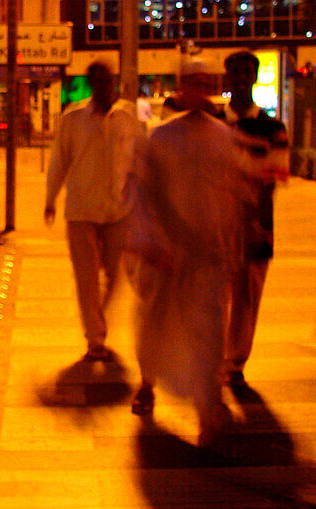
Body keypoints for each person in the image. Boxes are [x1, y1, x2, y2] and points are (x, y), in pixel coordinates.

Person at [124, 57, 246, 447]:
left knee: (208, 333)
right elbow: (140, 193)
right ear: (181, 87)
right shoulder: (159, 138)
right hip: (165, 252)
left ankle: (207, 413)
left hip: (207, 254)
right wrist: (150, 242)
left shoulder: (223, 137)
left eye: (204, 82)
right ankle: (147, 382)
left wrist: (232, 248)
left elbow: (233, 195)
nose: (198, 89)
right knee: (155, 325)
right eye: (192, 82)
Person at [45, 61, 141, 362]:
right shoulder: (73, 118)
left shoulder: (128, 116)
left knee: (115, 276)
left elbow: (141, 159)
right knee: (86, 278)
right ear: (90, 83)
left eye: (106, 80)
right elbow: (59, 159)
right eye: (96, 80)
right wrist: (50, 198)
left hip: (119, 210)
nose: (102, 86)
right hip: (81, 211)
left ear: (113, 82)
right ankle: (95, 337)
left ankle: (98, 320)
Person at [220, 50, 289, 390]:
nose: (242, 78)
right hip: (215, 226)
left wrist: (257, 223)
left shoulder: (273, 128)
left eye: (249, 72)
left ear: (256, 76)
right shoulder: (212, 126)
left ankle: (235, 362)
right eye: (236, 72)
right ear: (227, 77)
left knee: (247, 298)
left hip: (256, 227)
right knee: (215, 296)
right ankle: (215, 357)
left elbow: (273, 179)